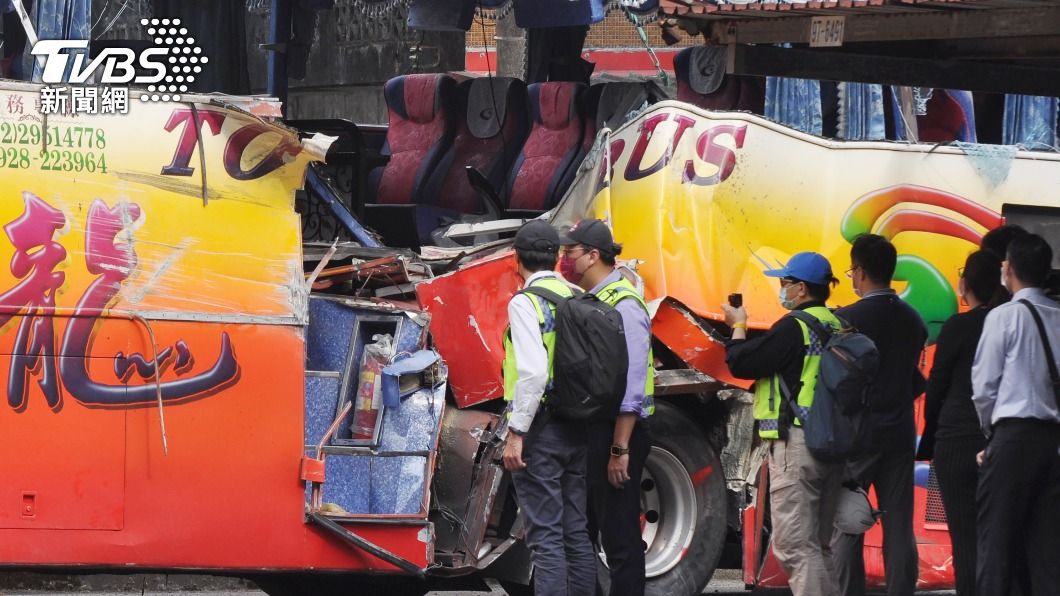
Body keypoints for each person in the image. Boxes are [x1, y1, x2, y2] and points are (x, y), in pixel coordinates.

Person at [723, 251, 844, 596]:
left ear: (802, 288)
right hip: (832, 443)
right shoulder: (840, 323)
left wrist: (738, 326)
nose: (782, 289)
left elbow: (743, 363)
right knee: (819, 545)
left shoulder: (794, 327)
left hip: (797, 446)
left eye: (785, 283)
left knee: (794, 545)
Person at [557, 219, 653, 596]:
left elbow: (633, 383)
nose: (565, 259)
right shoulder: (593, 300)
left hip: (620, 433)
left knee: (620, 538)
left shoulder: (626, 305)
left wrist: (619, 448)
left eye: (571, 252)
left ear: (593, 255)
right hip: (598, 431)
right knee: (591, 528)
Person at [501, 220, 595, 596]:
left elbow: (533, 372)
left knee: (546, 538)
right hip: (579, 424)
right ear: (557, 256)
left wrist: (516, 433)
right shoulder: (577, 295)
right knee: (576, 531)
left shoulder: (525, 302)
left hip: (541, 430)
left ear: (516, 259)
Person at [831, 234, 926, 596]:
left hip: (859, 435)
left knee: (848, 520)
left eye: (852, 271)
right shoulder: (914, 320)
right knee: (899, 524)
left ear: (860, 272)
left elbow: (840, 381)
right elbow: (915, 380)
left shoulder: (847, 320)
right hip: (900, 433)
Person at [972, 232, 1060, 596]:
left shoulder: (1003, 317)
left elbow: (984, 387)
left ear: (1009, 270)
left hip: (1012, 439)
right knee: (1047, 549)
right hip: (1052, 444)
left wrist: (992, 435)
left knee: (996, 543)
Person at [915, 250, 1003, 596]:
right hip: (1002, 439)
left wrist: (931, 437)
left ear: (964, 283)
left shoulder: (959, 326)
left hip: (957, 441)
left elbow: (936, 385)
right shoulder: (1009, 321)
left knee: (965, 539)